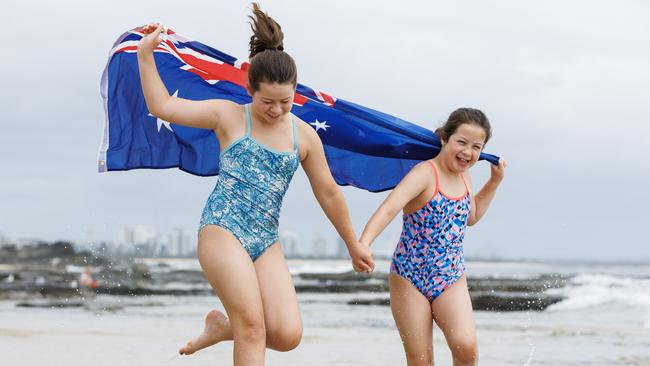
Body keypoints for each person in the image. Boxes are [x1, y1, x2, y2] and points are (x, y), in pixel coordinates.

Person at [136, 3, 374, 364]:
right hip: (223, 228)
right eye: (268, 102)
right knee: (253, 328)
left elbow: (327, 191)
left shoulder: (304, 136)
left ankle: (222, 329)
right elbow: (163, 106)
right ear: (249, 89)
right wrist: (145, 55)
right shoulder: (228, 116)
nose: (277, 110)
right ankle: (237, 327)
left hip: (265, 238)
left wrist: (352, 243)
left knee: (286, 334)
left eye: (286, 102)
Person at [359, 108, 506, 366]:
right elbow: (389, 208)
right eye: (461, 142)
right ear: (443, 138)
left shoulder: (466, 176)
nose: (468, 152)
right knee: (420, 360)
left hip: (450, 277)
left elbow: (470, 216)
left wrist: (494, 182)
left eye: (476, 147)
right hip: (409, 278)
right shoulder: (425, 173)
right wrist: (364, 243)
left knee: (466, 346)